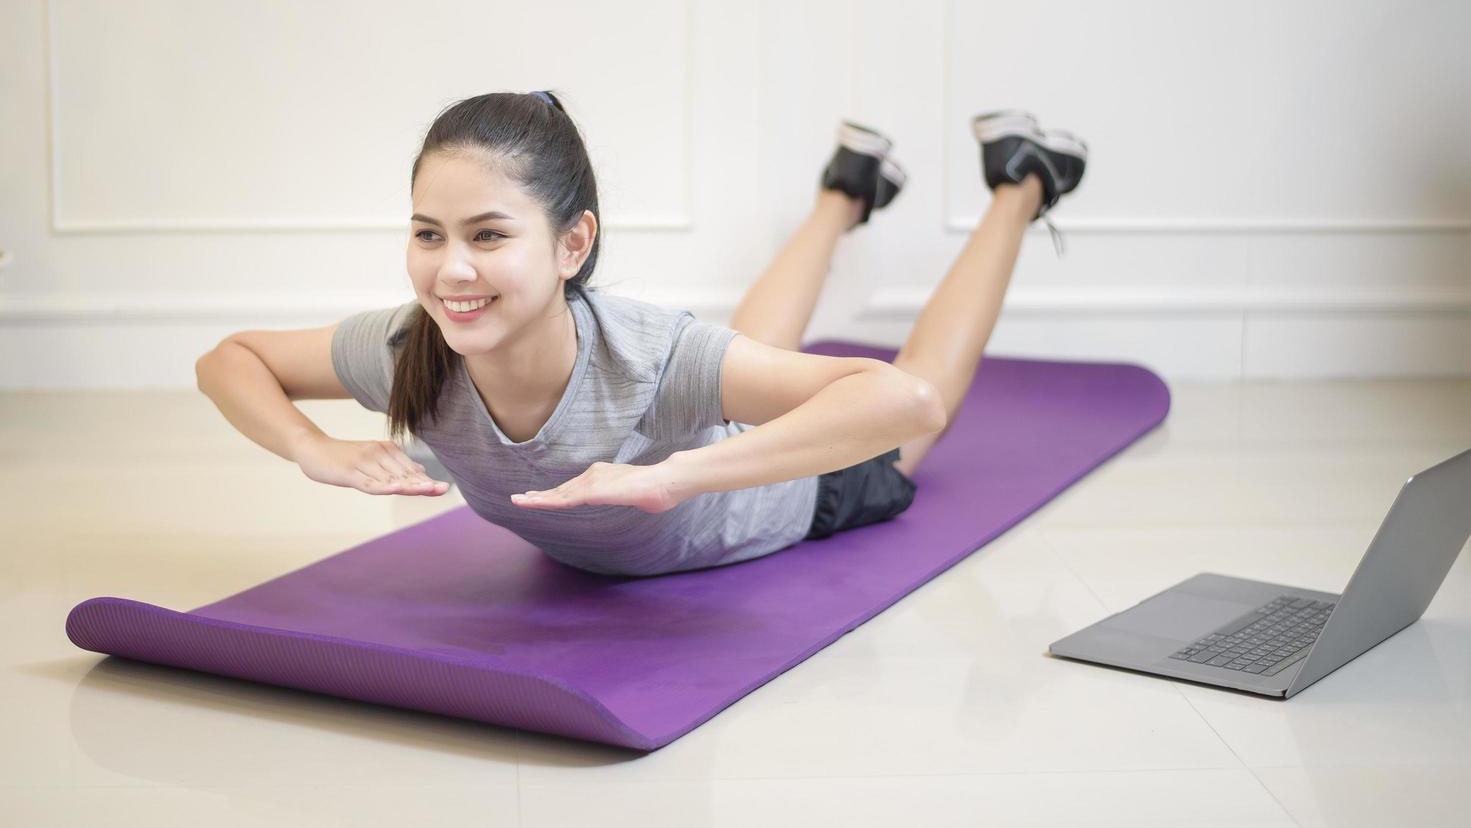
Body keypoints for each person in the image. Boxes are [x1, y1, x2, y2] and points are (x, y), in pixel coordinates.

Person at [195, 91, 1086, 577]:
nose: (450, 271)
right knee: (736, 360)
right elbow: (228, 360)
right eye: (429, 233)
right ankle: (846, 190)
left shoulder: (648, 356)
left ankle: (1019, 184)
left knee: (907, 401)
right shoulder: (404, 350)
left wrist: (676, 475)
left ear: (572, 243)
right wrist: (312, 448)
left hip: (789, 492)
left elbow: (906, 398)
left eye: (489, 235)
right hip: (692, 436)